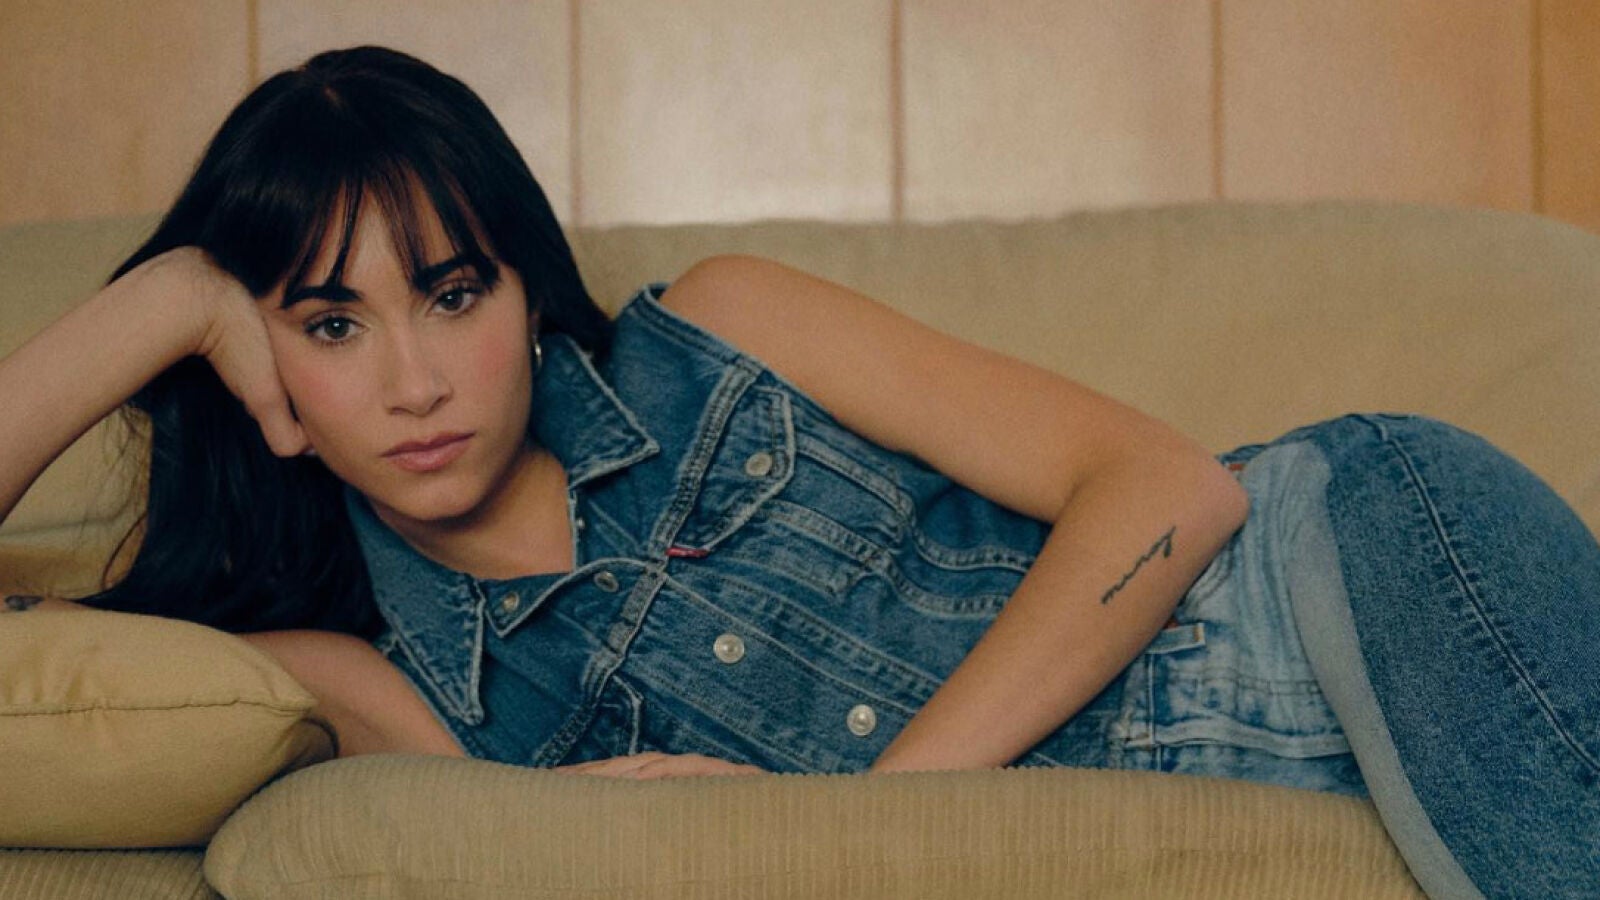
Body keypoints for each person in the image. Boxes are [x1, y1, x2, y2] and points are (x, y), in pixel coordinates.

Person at [0, 45, 1593, 898]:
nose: (412, 381)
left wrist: (872, 833)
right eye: (331, 324)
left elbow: (1173, 489)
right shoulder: (362, 672)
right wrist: (164, 303)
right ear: (265, 366)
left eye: (454, 292)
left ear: (526, 289)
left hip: (1348, 559)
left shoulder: (722, 328)